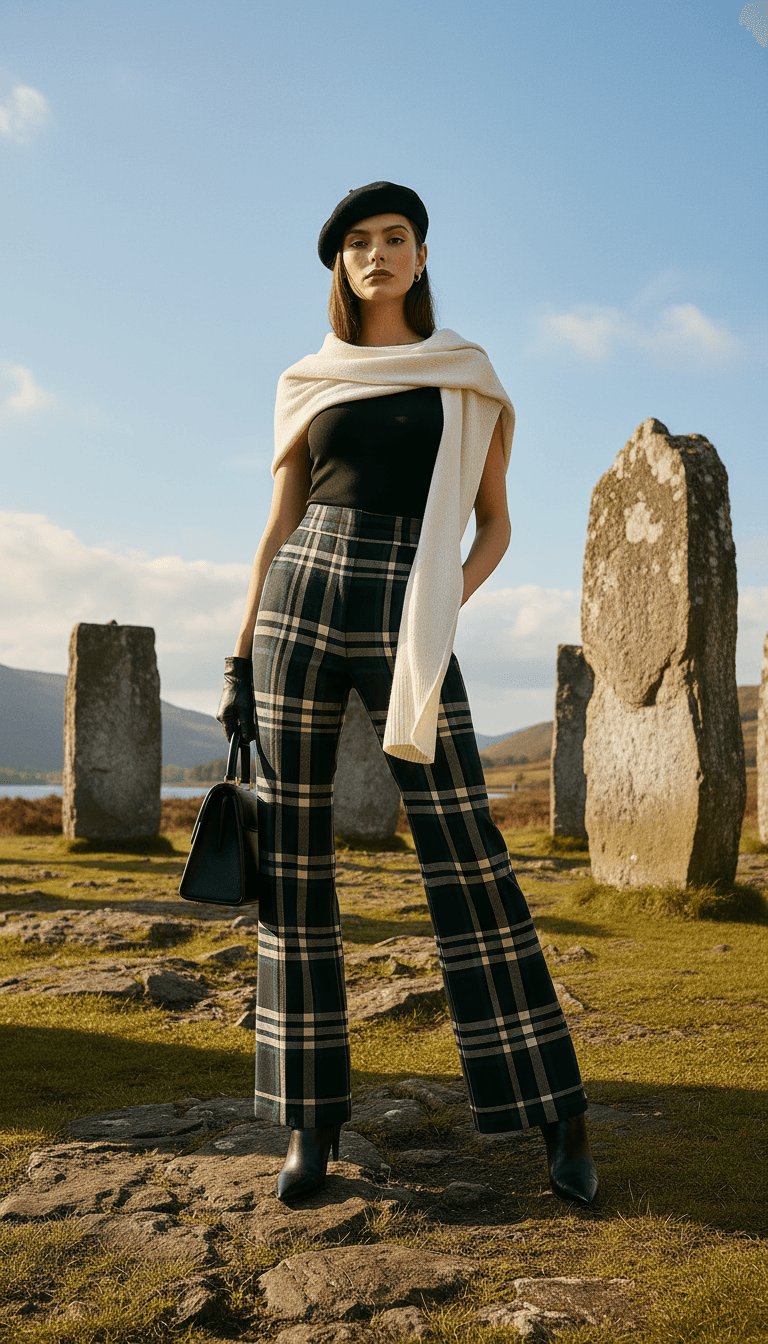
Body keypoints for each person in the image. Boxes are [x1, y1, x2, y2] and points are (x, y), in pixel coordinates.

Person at [217, 181, 598, 1207]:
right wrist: (240, 654)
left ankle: (556, 1111)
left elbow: (496, 529)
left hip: (406, 610)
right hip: (300, 601)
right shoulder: (310, 378)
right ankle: (311, 1123)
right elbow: (278, 521)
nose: (376, 254)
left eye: (394, 239)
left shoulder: (466, 378)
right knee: (293, 868)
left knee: (468, 852)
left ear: (421, 257)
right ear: (340, 265)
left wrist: (441, 606)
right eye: (357, 242)